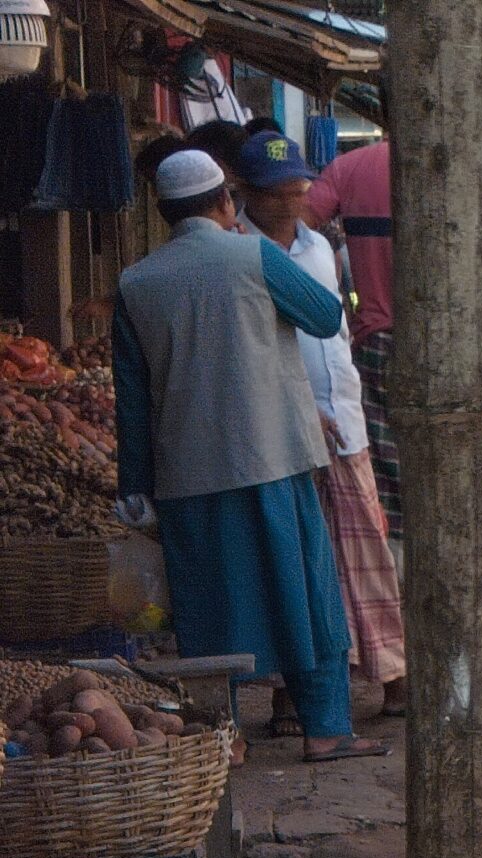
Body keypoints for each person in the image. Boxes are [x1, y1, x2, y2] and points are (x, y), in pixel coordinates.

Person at [112, 150, 385, 764]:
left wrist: (135, 490)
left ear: (163, 213)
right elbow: (324, 315)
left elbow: (130, 403)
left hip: (185, 474)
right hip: (275, 458)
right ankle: (324, 728)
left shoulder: (135, 284)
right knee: (306, 599)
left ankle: (223, 738)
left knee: (210, 607)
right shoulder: (254, 256)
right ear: (224, 204)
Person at [236, 133, 409, 721]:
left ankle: (392, 676)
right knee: (298, 564)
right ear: (246, 193)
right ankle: (293, 695)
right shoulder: (238, 254)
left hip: (346, 420)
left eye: (297, 189)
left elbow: (331, 330)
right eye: (277, 192)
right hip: (284, 432)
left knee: (367, 554)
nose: (291, 200)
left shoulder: (319, 250)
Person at [306, 139, 400, 537]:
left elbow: (296, 225)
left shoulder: (350, 167)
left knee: (386, 468)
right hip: (459, 342)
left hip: (379, 338)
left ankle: (395, 564)